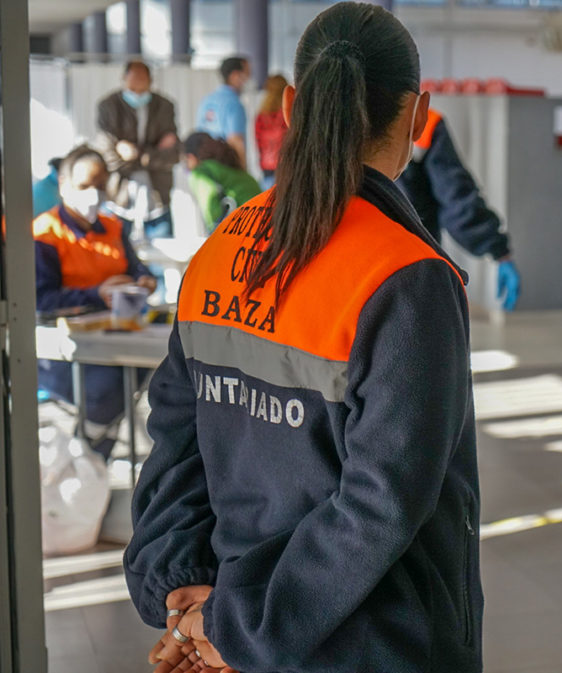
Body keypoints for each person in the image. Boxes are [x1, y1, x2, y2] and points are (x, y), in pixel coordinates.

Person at [125, 4, 482, 673]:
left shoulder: (219, 251)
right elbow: (383, 501)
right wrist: (234, 625)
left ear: (291, 105)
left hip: (239, 620)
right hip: (369, 642)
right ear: (417, 114)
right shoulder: (407, 276)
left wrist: (187, 599)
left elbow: (176, 437)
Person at [34, 146, 156, 458]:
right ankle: (88, 459)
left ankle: (92, 455)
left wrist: (143, 280)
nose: (94, 195)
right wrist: (97, 293)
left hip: (117, 336)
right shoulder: (45, 234)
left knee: (160, 371)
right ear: (64, 187)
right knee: (107, 391)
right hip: (62, 348)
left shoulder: (113, 227)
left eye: (101, 187)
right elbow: (41, 300)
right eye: (85, 186)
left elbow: (135, 268)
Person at [396, 108, 521, 311]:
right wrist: (501, 253)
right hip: (413, 269)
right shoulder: (419, 118)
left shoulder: (332, 113)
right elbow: (455, 197)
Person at [95, 60, 180, 240]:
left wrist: (136, 154)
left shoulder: (165, 106)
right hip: (117, 198)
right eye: (133, 86)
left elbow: (173, 154)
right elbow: (108, 155)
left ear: (150, 81)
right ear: (123, 79)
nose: (137, 92)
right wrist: (153, 153)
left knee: (162, 257)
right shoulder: (108, 106)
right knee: (114, 256)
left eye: (142, 85)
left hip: (157, 196)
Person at [182, 132, 261, 232]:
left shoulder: (199, 173)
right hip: (263, 219)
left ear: (190, 157)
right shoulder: (226, 163)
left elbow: (211, 208)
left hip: (245, 226)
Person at [196, 56, 252, 170]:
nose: (248, 79)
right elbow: (236, 140)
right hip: (227, 168)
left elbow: (199, 135)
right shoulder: (234, 103)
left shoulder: (207, 101)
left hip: (207, 166)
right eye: (246, 74)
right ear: (235, 75)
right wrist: (243, 173)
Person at [254, 74, 289, 189]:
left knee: (268, 204)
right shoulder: (288, 113)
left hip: (267, 165)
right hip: (286, 164)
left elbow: (258, 142)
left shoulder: (261, 115)